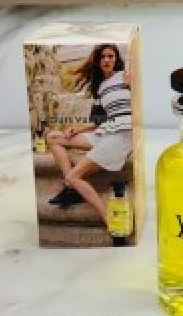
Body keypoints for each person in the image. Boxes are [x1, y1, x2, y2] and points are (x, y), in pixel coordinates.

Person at [46, 44, 132, 225]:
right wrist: (78, 129)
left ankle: (109, 219)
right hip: (106, 131)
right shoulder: (101, 87)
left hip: (123, 134)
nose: (106, 60)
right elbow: (101, 121)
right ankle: (71, 188)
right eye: (102, 57)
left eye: (110, 56)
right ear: (98, 61)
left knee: (73, 176)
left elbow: (142, 104)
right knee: (53, 137)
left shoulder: (125, 76)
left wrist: (131, 84)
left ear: (116, 59)